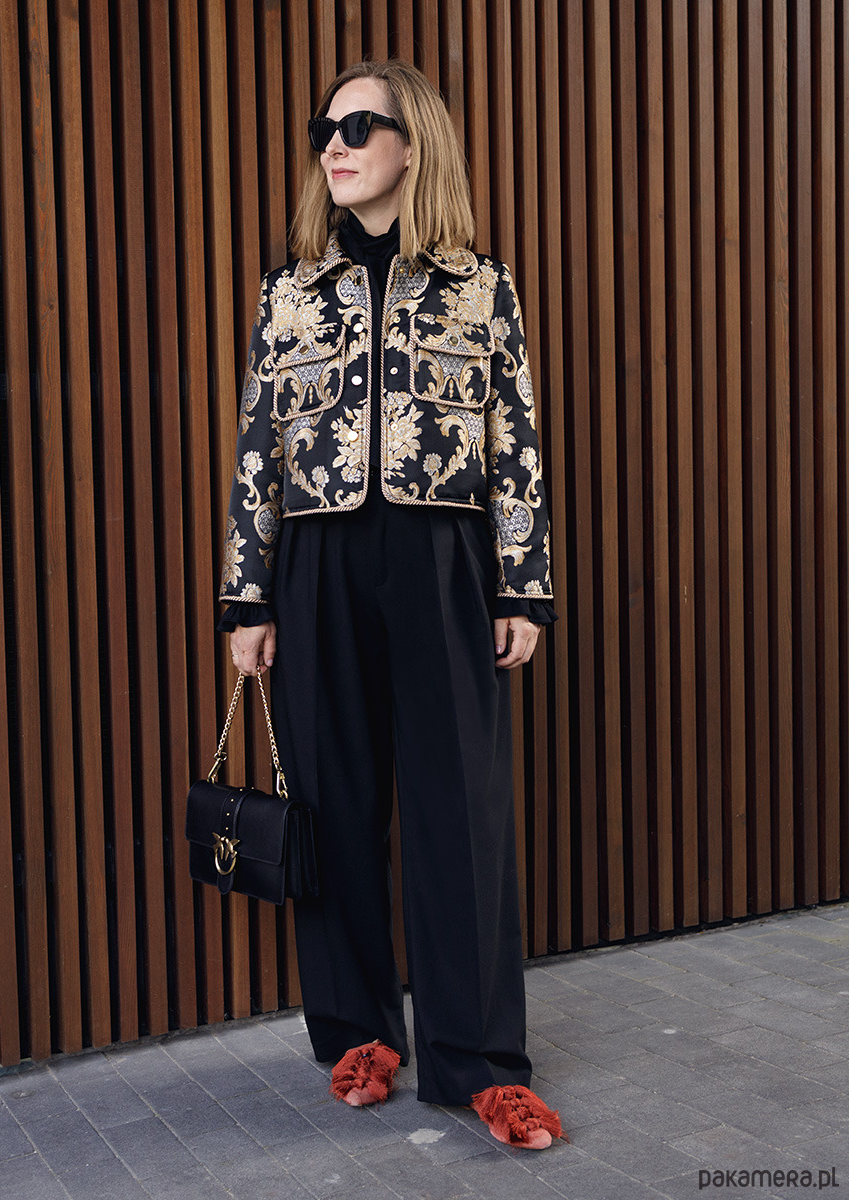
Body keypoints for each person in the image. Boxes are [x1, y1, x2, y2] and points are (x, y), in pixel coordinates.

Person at [218, 60, 565, 1151]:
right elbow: (256, 448)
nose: (334, 143)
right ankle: (358, 1032)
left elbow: (514, 438)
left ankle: (479, 1062)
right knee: (332, 803)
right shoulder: (289, 291)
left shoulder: (481, 286)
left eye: (359, 125)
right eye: (324, 127)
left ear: (414, 144)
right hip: (316, 565)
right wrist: (246, 595)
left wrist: (522, 584)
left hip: (441, 561)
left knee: (461, 811)